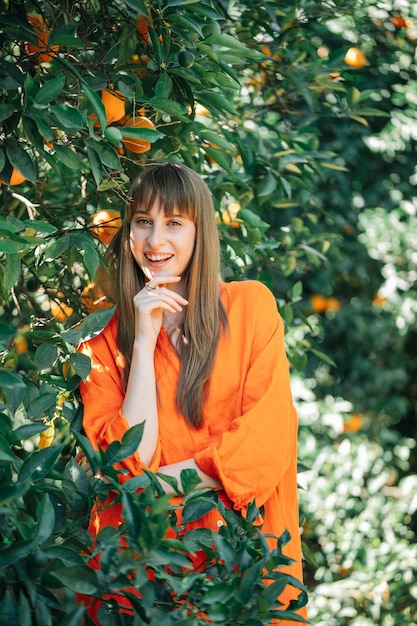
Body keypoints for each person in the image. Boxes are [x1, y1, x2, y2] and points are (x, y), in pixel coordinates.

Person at [78, 162, 307, 623]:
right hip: (139, 580)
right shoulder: (100, 344)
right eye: (143, 222)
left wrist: (149, 484)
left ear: (200, 232)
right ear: (128, 234)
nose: (155, 240)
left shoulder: (250, 308)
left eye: (174, 224)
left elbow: (263, 447)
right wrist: (142, 341)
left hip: (242, 571)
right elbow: (125, 462)